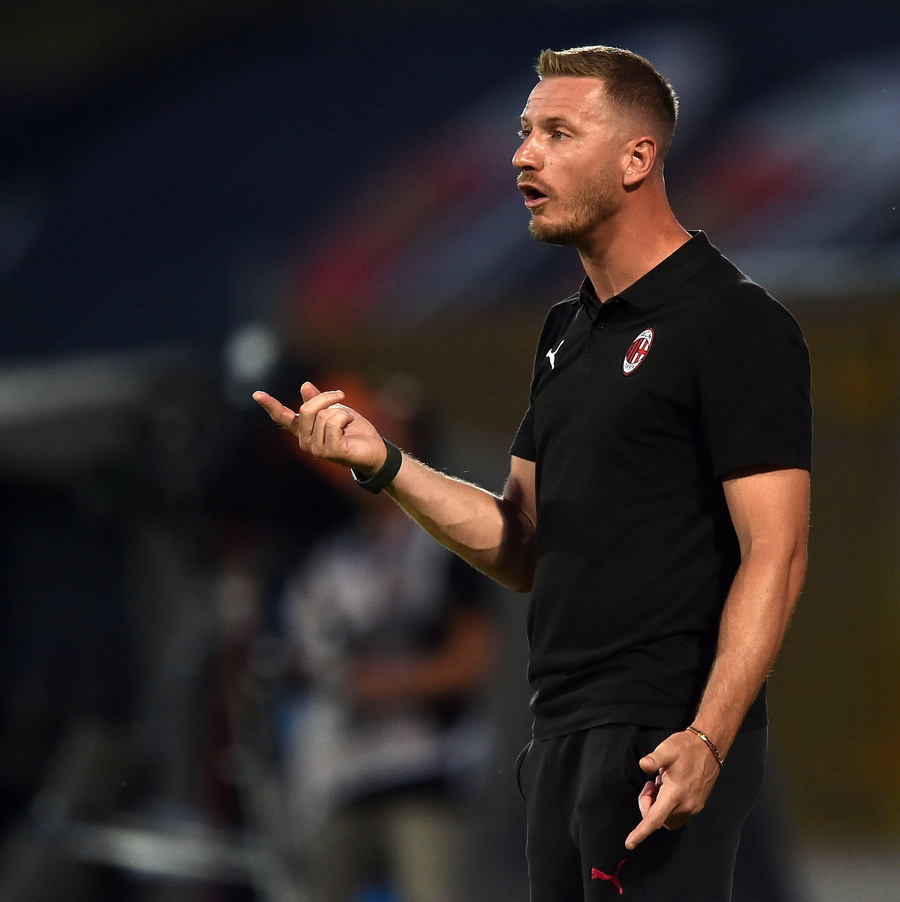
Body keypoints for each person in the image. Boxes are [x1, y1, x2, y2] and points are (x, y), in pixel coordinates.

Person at [255, 45, 812, 901]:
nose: (523, 154)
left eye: (558, 132)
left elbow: (775, 551)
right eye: (524, 132)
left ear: (638, 157)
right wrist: (387, 466)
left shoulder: (733, 323)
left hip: (661, 734)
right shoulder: (565, 335)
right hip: (558, 738)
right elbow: (519, 544)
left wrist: (706, 738)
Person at [276, 374, 494, 902]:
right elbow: (297, 658)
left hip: (425, 769)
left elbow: (472, 661)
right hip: (340, 773)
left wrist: (380, 684)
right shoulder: (329, 558)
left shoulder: (444, 544)